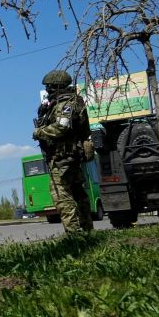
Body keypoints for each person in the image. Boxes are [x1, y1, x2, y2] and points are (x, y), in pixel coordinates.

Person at [32, 69, 94, 234]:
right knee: (78, 193)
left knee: (62, 195)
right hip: (70, 156)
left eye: (49, 87)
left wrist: (39, 132)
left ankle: (74, 234)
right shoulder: (73, 101)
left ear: (55, 86)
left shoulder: (66, 104)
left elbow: (61, 127)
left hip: (63, 157)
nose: (47, 91)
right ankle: (87, 230)